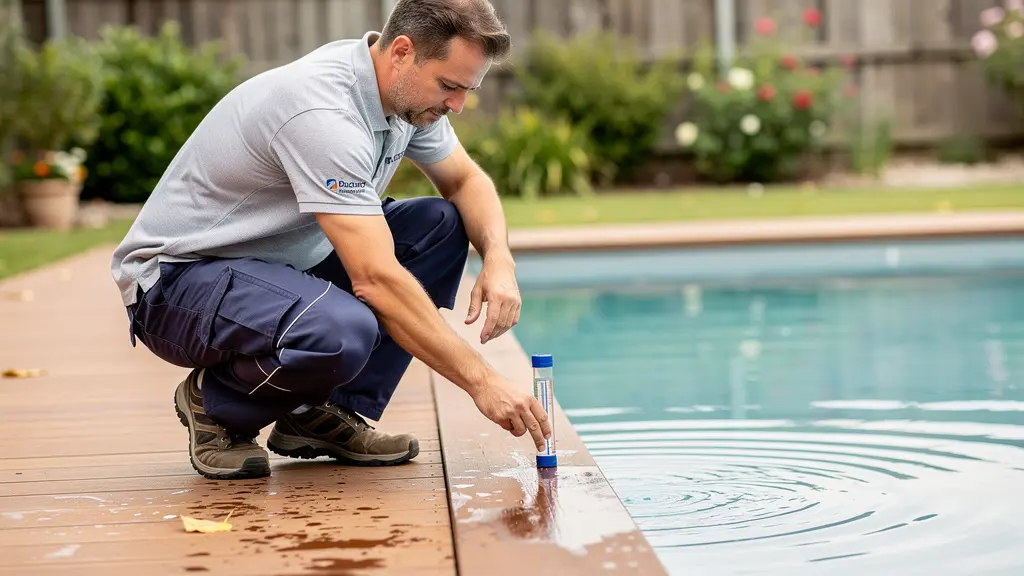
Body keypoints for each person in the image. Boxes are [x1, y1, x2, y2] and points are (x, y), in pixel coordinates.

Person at [110, 0, 551, 480]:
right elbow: (376, 280)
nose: (457, 105)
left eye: (467, 89)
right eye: (449, 86)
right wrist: (482, 381)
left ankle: (315, 416)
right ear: (402, 51)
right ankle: (216, 403)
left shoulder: (401, 96)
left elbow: (466, 182)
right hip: (177, 283)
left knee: (441, 225)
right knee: (341, 331)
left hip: (270, 269)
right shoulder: (323, 112)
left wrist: (499, 260)